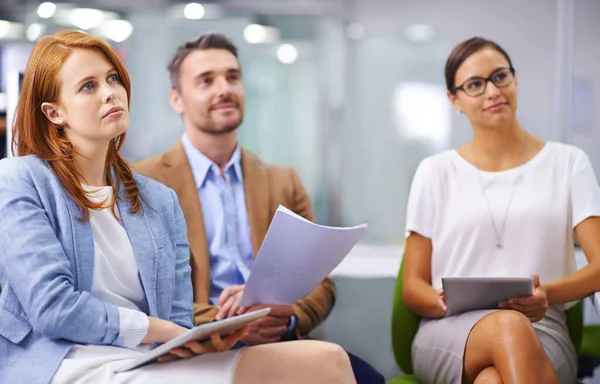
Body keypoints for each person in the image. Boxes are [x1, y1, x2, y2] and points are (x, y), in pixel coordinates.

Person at [0, 30, 357, 384]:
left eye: (112, 78)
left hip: (148, 357)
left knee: (328, 359)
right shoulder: (19, 179)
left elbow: (179, 319)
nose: (110, 93)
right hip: (66, 361)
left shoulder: (157, 198)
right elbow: (53, 309)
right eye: (88, 86)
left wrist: (197, 339)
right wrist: (157, 330)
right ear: (54, 112)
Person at [133, 33, 383, 383]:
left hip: (281, 337)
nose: (225, 89)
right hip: (200, 347)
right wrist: (235, 324)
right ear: (177, 99)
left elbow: (321, 284)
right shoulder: (143, 182)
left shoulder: (283, 180)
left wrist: (288, 316)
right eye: (206, 80)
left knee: (371, 379)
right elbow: (144, 295)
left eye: (233, 77)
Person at [402, 36, 600, 384]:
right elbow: (412, 286)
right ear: (455, 100)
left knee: (492, 380)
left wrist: (546, 295)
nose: (492, 91)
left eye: (500, 77)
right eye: (475, 85)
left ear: (515, 80)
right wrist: (444, 302)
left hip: (542, 328)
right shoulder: (434, 172)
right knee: (507, 326)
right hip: (449, 328)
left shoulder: (569, 163)